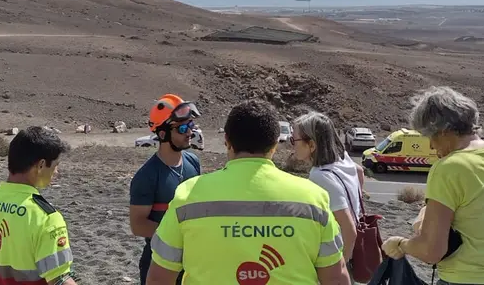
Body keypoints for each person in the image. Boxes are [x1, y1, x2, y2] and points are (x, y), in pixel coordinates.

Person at [146, 99, 352, 285]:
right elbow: (335, 277)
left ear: (227, 141)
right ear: (274, 145)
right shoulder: (314, 197)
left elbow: (159, 277)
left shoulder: (187, 195)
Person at [382, 86, 484, 285]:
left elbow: (431, 251)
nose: (431, 146)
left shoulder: (448, 168)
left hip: (466, 279)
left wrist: (400, 244)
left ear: (443, 131)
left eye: (430, 137)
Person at [0, 126, 78, 285]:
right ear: (41, 165)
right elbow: (60, 280)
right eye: (55, 165)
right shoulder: (46, 218)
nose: (56, 172)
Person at [130, 94, 202, 285]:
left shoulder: (193, 162)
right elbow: (138, 226)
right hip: (158, 263)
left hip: (191, 261)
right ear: (163, 134)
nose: (190, 133)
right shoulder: (146, 176)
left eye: (191, 126)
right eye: (183, 128)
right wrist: (178, 237)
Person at [291, 112, 365, 267]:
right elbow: (359, 171)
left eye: (294, 140)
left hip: (335, 255)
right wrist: (355, 206)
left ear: (311, 145)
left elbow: (349, 231)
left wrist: (341, 267)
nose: (292, 145)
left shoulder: (320, 177)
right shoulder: (342, 157)